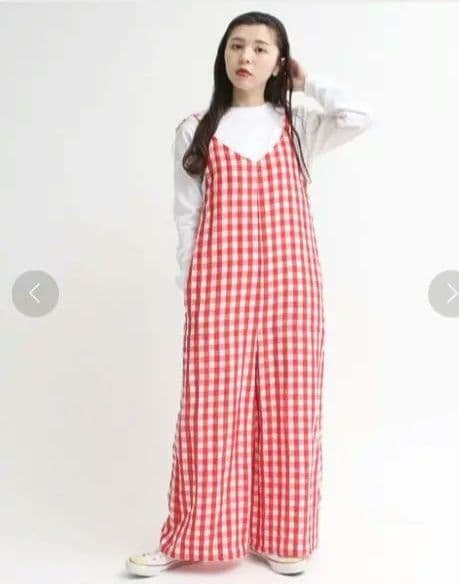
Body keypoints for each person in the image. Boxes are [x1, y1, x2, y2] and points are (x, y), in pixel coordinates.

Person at [126, 10, 372, 578]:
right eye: (237, 45)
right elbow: (186, 216)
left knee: (292, 406)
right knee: (210, 412)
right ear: (223, 54)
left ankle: (284, 537)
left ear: (279, 61)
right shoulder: (196, 130)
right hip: (220, 286)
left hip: (292, 286)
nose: (247, 56)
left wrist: (307, 82)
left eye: (262, 48)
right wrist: (192, 283)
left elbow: (359, 117)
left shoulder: (299, 125)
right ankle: (193, 536)